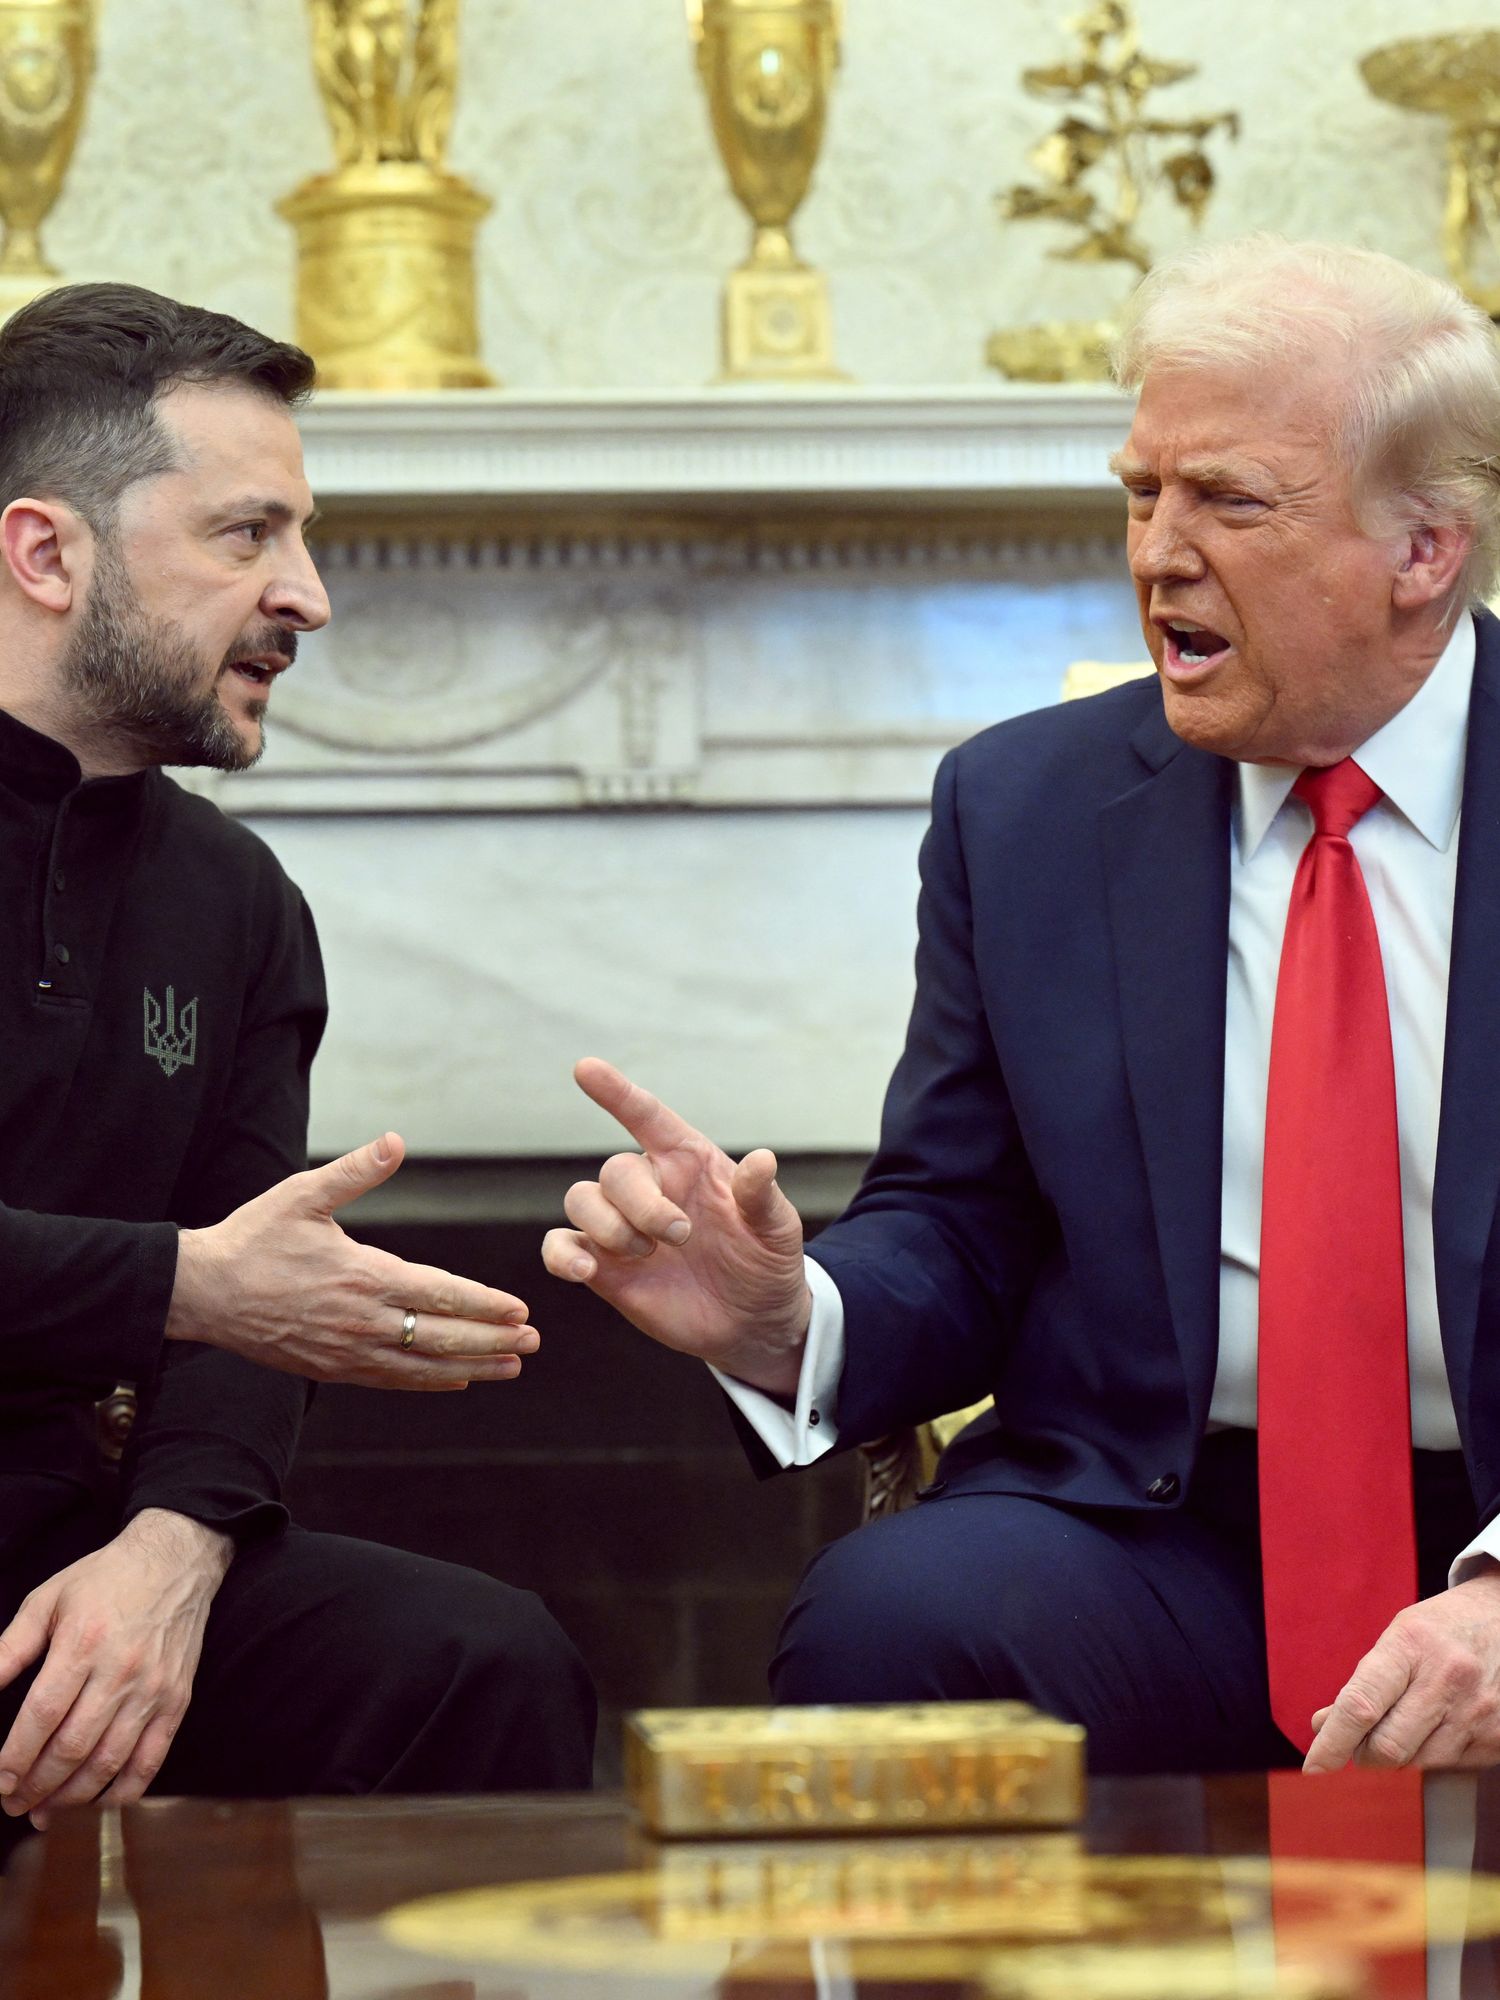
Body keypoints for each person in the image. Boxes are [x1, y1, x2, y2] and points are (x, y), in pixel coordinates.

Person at [544, 234, 1500, 1777]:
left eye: (1230, 502)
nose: (1157, 555)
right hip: (1156, 1516)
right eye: (1142, 492)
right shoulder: (1029, 807)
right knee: (902, 1622)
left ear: (1424, 550)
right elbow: (963, 1218)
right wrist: (796, 1317)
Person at [0, 282, 594, 1840]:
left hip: (65, 1540)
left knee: (478, 1663)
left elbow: (259, 1278)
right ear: (45, 552)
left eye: (302, 537)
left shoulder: (238, 901)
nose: (310, 596)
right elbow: (220, 1283)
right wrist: (181, 1283)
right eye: (246, 535)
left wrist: (173, 1553)